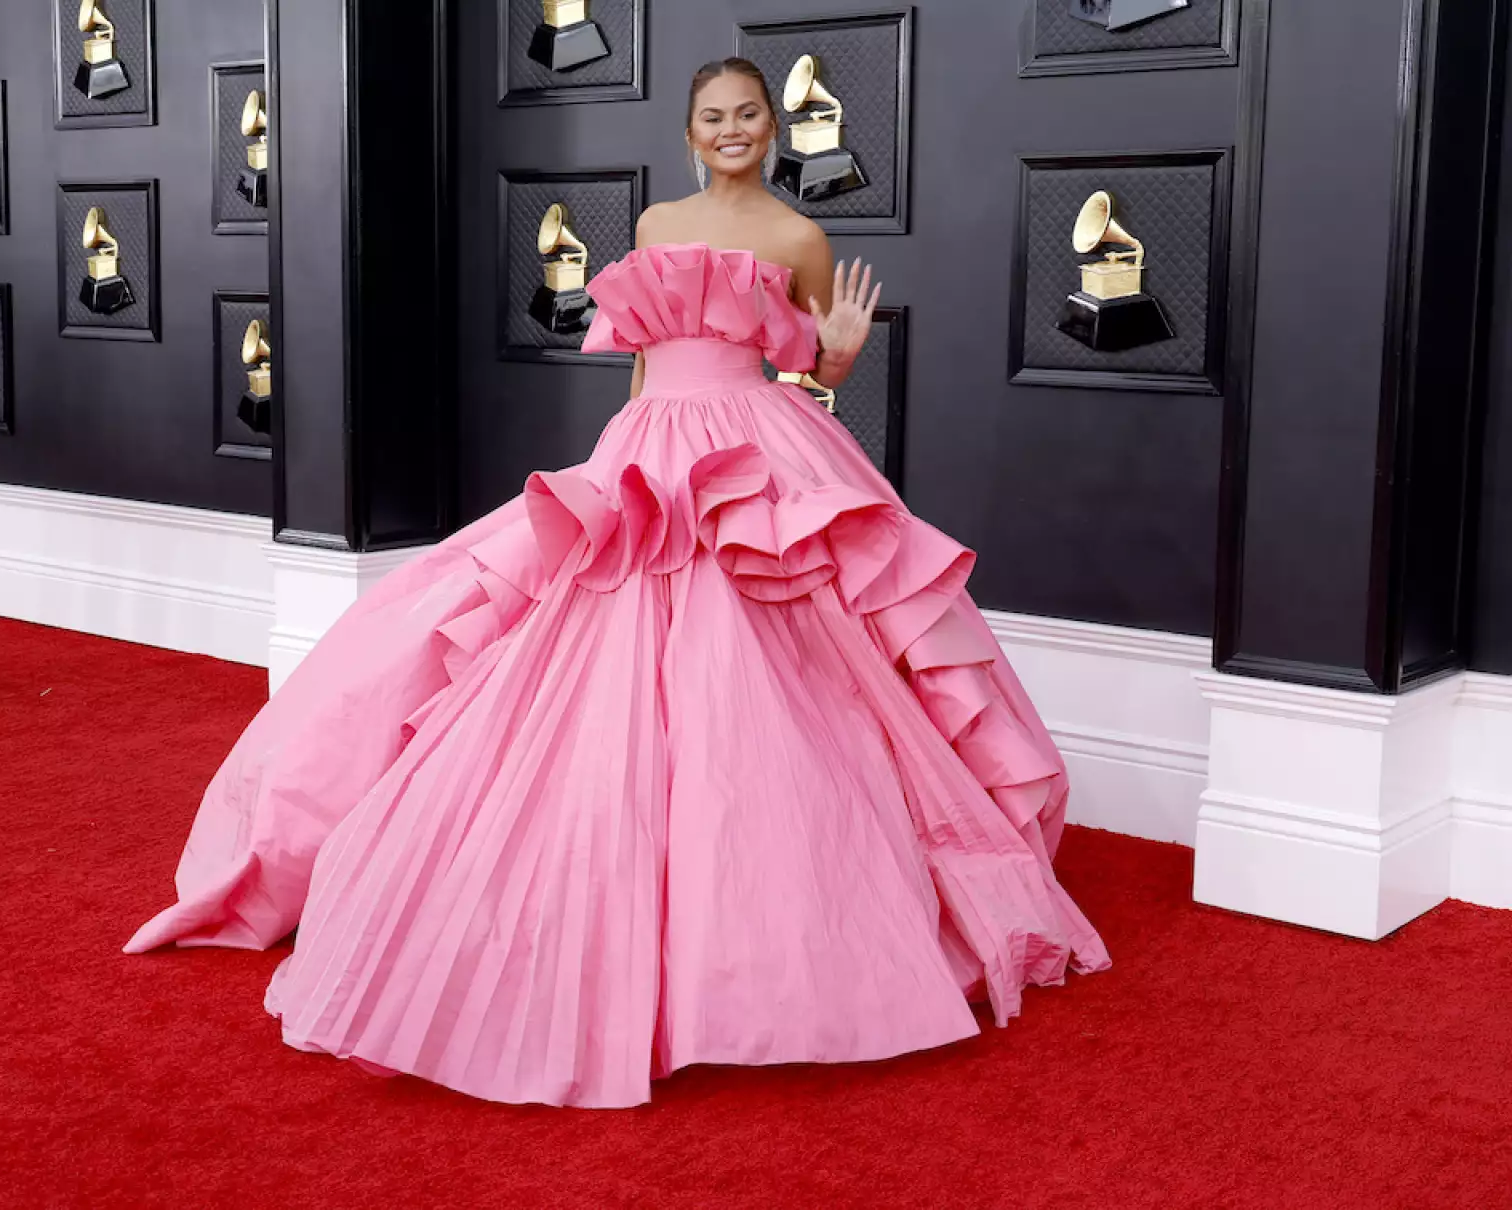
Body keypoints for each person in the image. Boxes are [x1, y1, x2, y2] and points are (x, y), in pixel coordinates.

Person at [126, 57, 1109, 1109]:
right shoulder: (652, 226)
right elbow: (642, 366)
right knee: (600, 666)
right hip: (648, 454)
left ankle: (770, 934)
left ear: (772, 126)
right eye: (712, 117)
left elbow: (810, 369)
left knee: (782, 680)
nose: (731, 129)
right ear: (692, 129)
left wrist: (839, 360)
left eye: (746, 114)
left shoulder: (797, 237)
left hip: (758, 453)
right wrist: (617, 465)